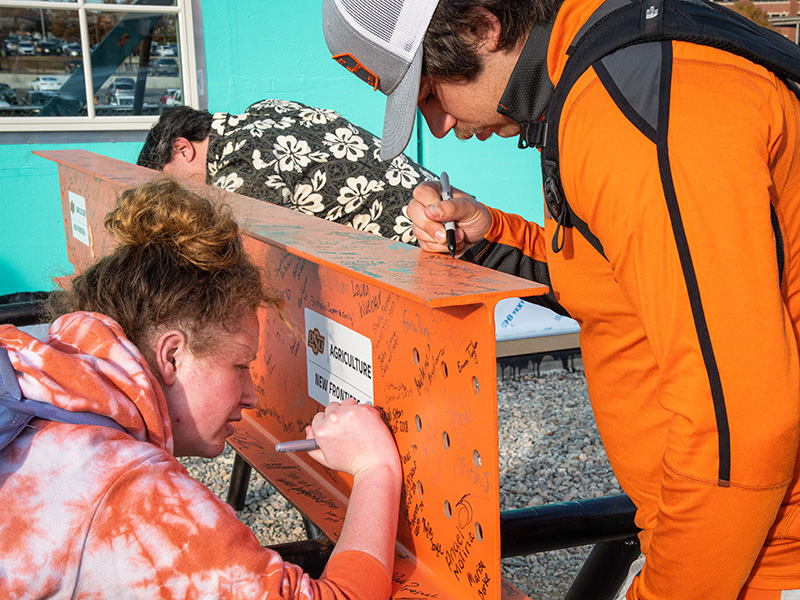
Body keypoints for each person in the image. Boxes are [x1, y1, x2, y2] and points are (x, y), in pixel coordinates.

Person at [323, 0, 800, 599]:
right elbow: (616, 279)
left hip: (765, 558)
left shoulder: (635, 109)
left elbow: (739, 426)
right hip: (727, 543)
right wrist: (492, 233)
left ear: (481, 27)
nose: (441, 125)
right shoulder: (598, 75)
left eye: (431, 94)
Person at [0, 176, 402, 599]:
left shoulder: (31, 374)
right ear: (171, 356)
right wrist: (376, 468)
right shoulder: (128, 493)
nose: (252, 395)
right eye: (240, 365)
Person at [137, 100, 437, 244]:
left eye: (170, 183)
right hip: (443, 202)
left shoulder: (235, 177)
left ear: (183, 149)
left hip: (427, 245)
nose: (177, 196)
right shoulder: (268, 109)